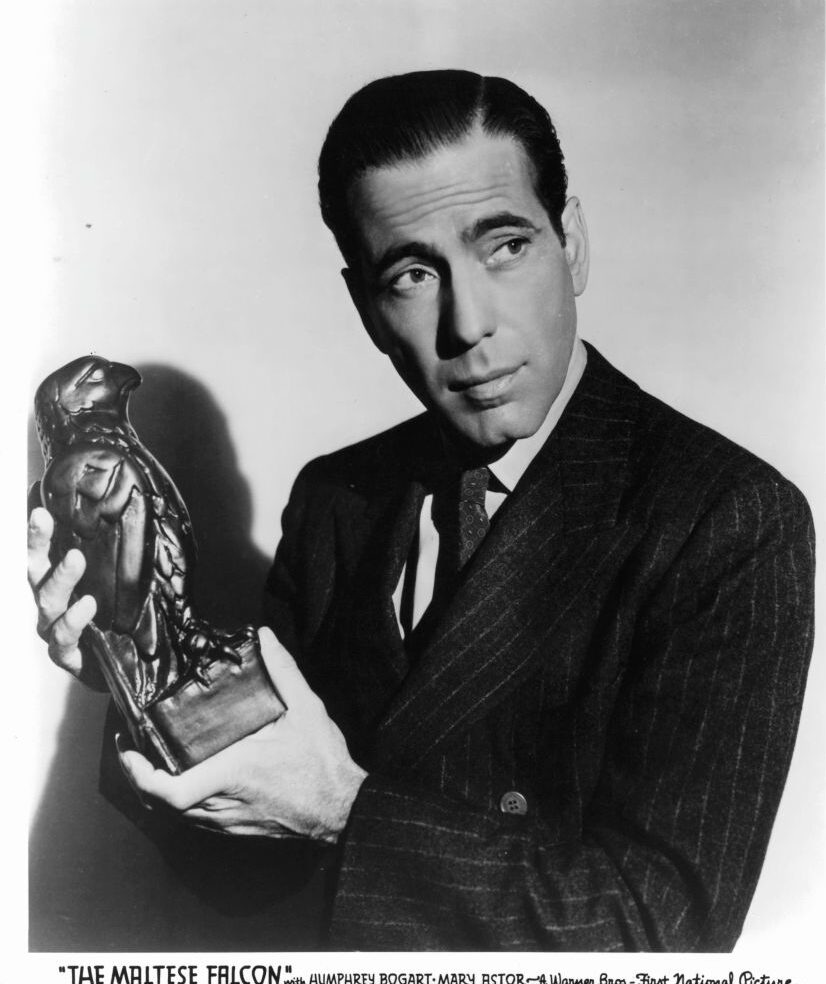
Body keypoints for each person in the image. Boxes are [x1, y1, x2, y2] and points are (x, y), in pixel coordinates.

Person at [28, 70, 815, 951]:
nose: (468, 324)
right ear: (366, 305)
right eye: (411, 273)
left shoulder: (729, 519)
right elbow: (243, 881)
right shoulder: (336, 500)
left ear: (575, 243)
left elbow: (662, 936)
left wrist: (345, 814)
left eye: (505, 247)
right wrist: (133, 655)